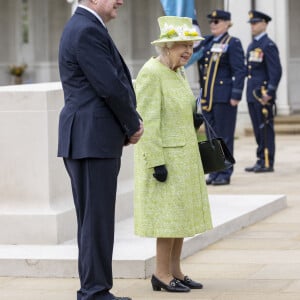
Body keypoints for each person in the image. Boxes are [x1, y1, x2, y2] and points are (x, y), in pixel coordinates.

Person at [57, 0, 144, 299]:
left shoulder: (86, 26)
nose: (121, 0)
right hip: (91, 139)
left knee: (95, 219)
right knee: (96, 220)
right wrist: (132, 124)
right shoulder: (85, 29)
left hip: (89, 138)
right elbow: (109, 85)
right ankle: (94, 292)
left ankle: (94, 288)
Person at [134, 16, 213, 293]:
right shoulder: (151, 73)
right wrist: (156, 162)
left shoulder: (177, 71)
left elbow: (177, 110)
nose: (189, 51)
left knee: (180, 217)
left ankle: (176, 271)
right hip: (166, 158)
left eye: (191, 46)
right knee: (167, 220)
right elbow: (148, 120)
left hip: (185, 156)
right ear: (167, 47)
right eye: (183, 46)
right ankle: (161, 273)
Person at [197, 10, 246, 186]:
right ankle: (216, 171)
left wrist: (236, 94)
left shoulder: (233, 43)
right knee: (211, 137)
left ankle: (225, 172)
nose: (212, 24)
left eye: (216, 21)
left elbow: (240, 70)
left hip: (224, 97)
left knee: (224, 137)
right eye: (211, 21)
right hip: (208, 97)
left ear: (227, 23)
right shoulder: (209, 42)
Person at [245, 10, 282, 173]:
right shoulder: (253, 45)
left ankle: (267, 161)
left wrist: (270, 92)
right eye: (251, 23)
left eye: (256, 23)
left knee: (265, 128)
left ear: (265, 24)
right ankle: (260, 159)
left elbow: (276, 71)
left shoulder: (269, 45)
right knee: (257, 128)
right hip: (252, 94)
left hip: (263, 95)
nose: (252, 26)